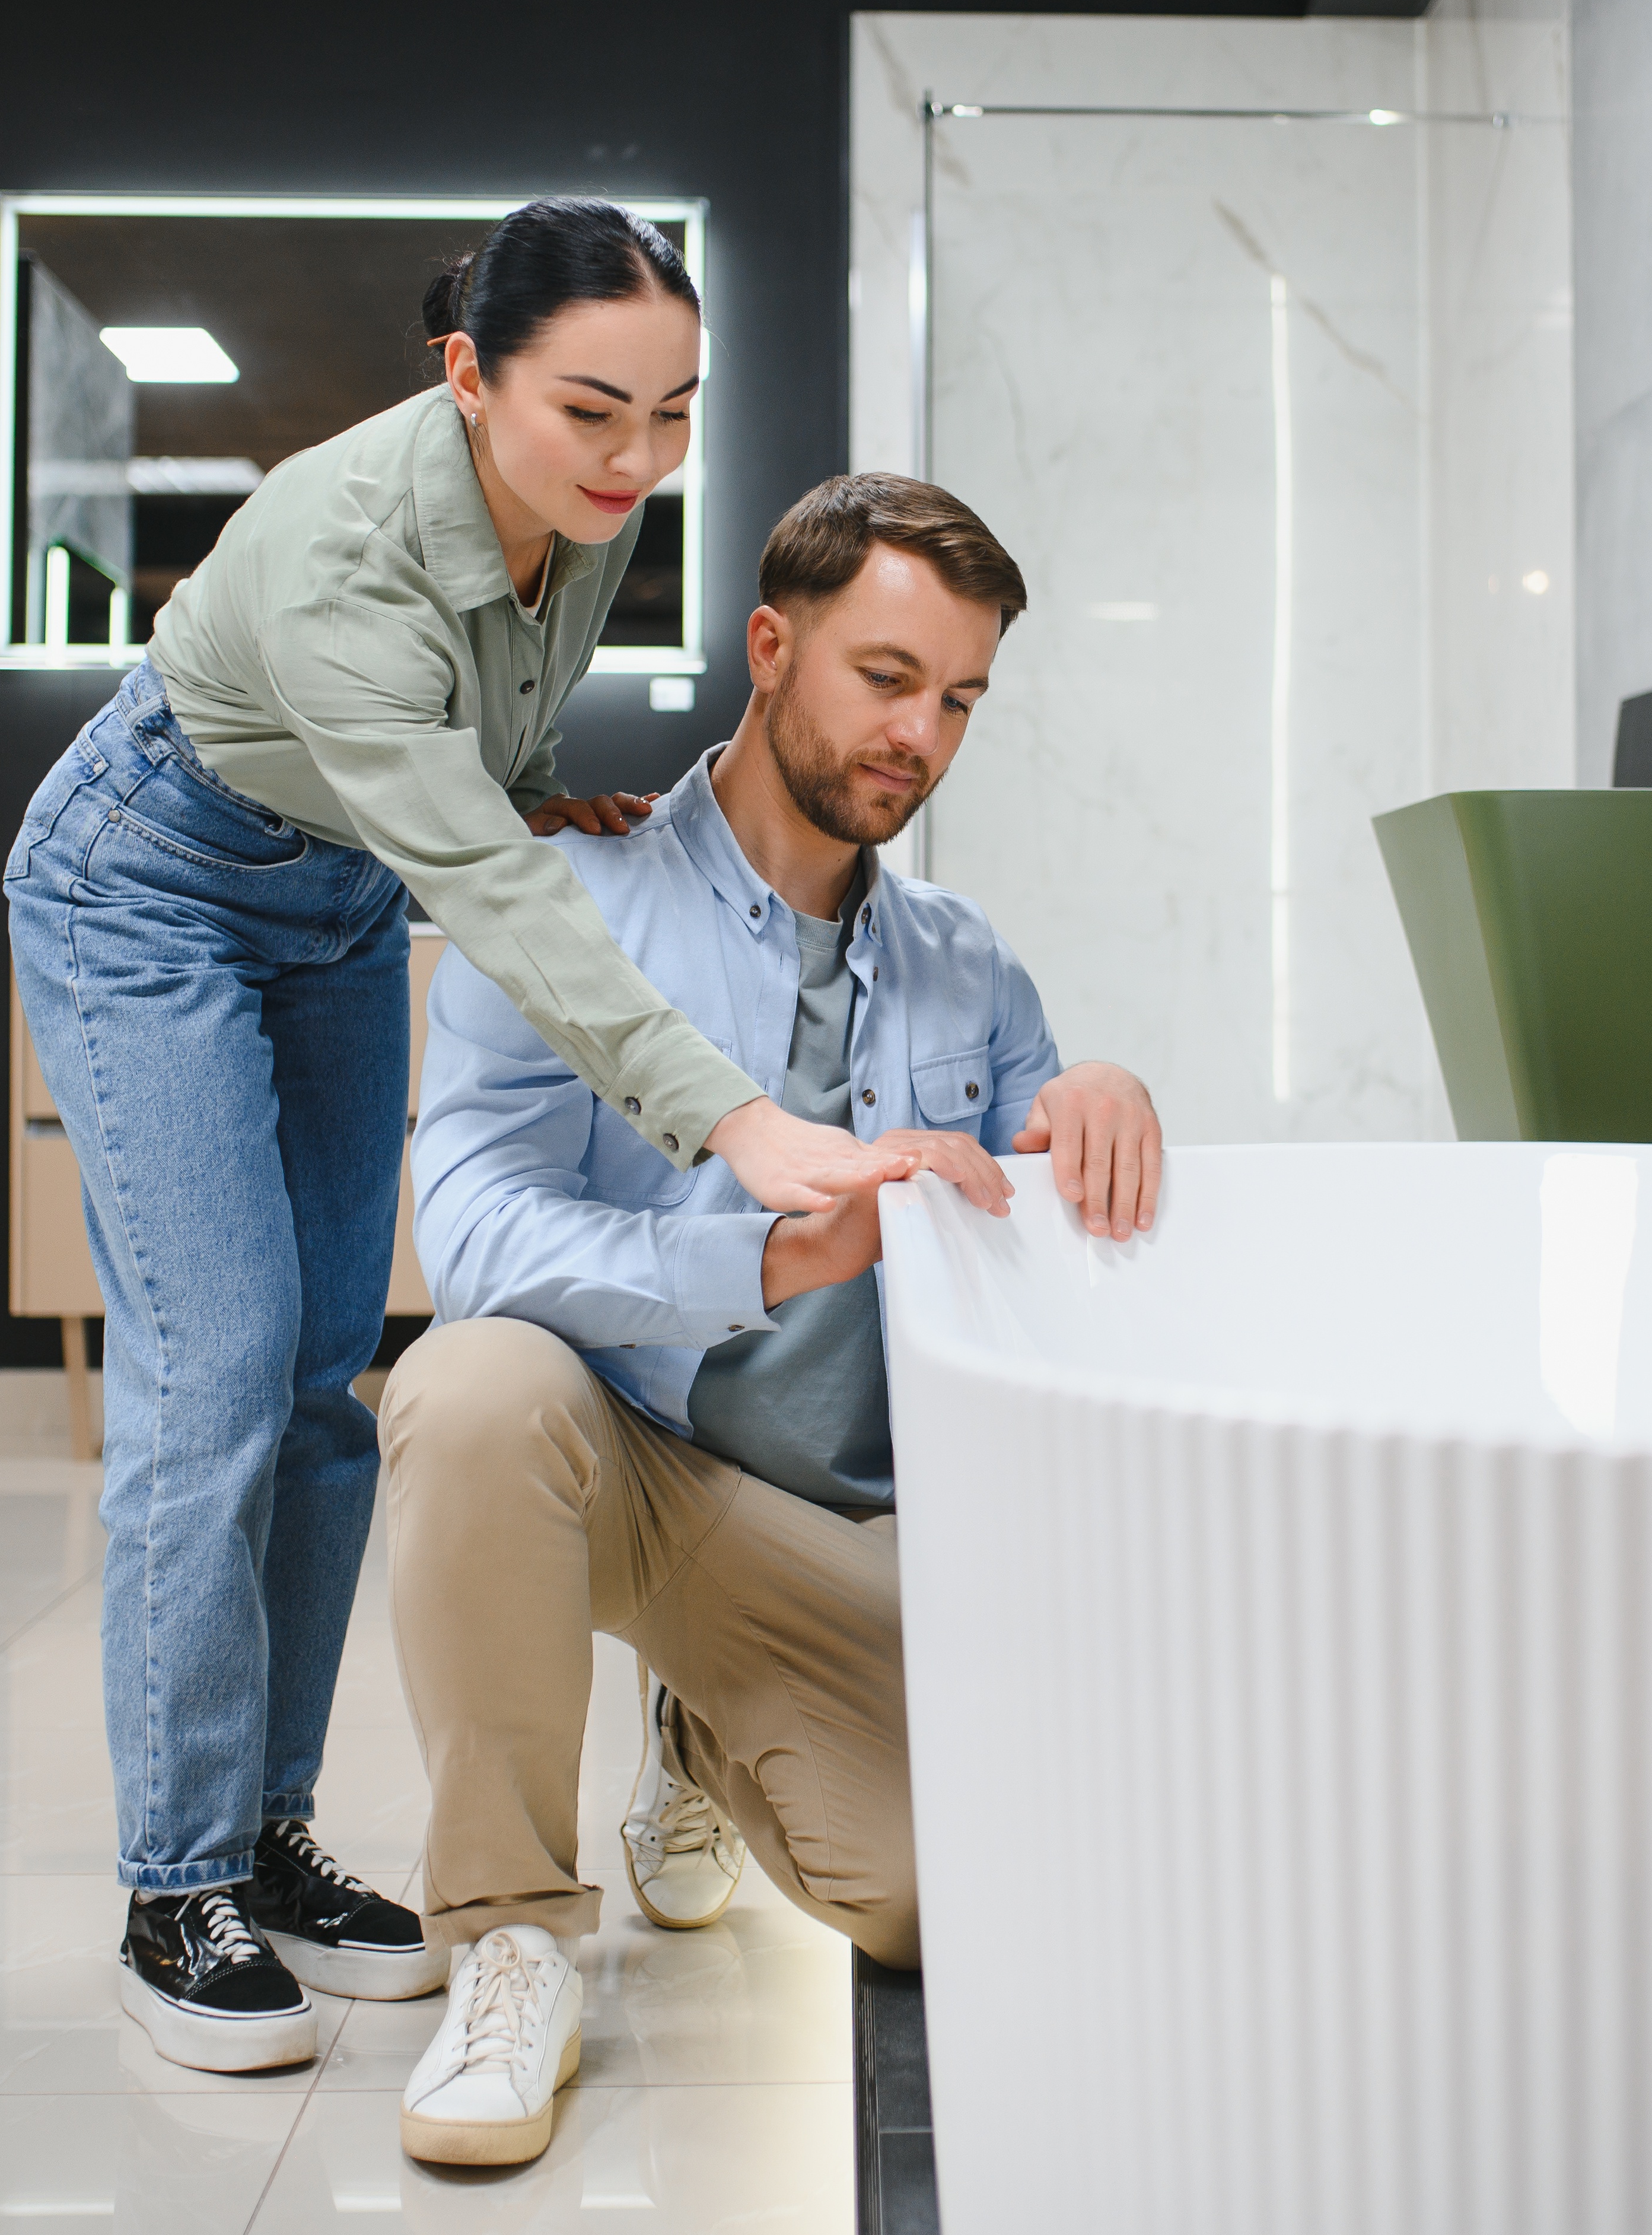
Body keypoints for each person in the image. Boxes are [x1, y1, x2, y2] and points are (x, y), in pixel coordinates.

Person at [2, 204, 979, 2076]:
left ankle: (269, 1842)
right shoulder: (336, 546)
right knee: (208, 1380)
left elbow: (455, 780)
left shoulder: (584, 517)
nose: (636, 461)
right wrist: (732, 1113)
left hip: (337, 887)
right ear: (469, 375)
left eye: (673, 415)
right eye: (592, 411)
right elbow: (490, 891)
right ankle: (171, 1882)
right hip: (154, 884)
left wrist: (514, 784)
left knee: (313, 1379)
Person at [374, 473, 1161, 2166]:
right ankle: (509, 1938)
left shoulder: (969, 965)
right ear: (770, 643)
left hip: (829, 1543)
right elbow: (476, 1233)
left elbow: (1034, 1194)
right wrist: (762, 1261)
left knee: (930, 1904)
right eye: (886, 677)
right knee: (471, 1387)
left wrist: (1092, 1088)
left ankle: (695, 1721)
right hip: (617, 1462)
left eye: (957, 698)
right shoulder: (562, 907)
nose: (920, 735)